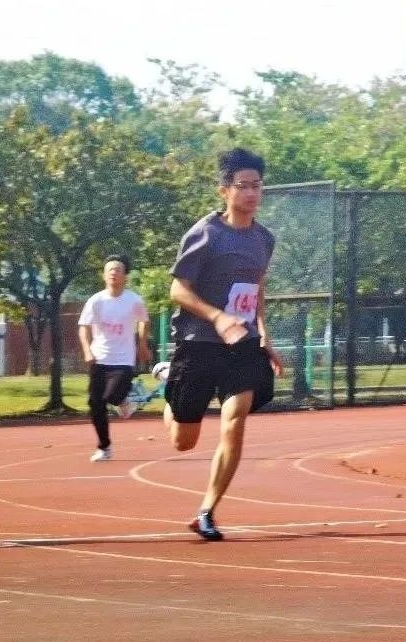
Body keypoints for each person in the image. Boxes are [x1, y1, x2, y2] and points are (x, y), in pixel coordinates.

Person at [161, 147, 284, 541]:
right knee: (184, 441)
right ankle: (168, 383)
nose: (251, 193)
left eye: (257, 186)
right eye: (243, 186)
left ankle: (206, 511)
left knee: (235, 420)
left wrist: (263, 333)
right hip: (199, 342)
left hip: (242, 343)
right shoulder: (206, 234)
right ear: (224, 190)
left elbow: (257, 288)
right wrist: (217, 317)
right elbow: (178, 290)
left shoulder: (264, 239)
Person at [77, 255, 151, 462]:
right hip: (99, 358)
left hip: (123, 359)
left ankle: (123, 399)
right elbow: (84, 328)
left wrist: (142, 344)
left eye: (118, 269)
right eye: (109, 269)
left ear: (125, 276)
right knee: (96, 404)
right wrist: (87, 350)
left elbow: (144, 321)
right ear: (103, 275)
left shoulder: (134, 300)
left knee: (112, 396)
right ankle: (104, 448)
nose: (113, 273)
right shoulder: (96, 301)